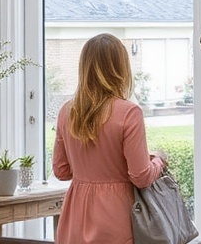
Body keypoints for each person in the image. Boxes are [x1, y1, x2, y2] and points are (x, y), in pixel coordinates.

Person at [52, 33, 166, 244]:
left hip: (74, 217)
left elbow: (61, 171)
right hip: (116, 217)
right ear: (120, 68)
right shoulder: (129, 113)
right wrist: (158, 160)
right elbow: (141, 176)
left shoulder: (67, 111)